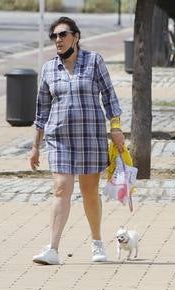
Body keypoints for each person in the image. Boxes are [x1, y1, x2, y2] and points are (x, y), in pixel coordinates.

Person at [29, 16, 126, 265]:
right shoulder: (49, 69)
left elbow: (110, 98)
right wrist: (35, 146)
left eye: (63, 34)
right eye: (54, 36)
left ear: (76, 36)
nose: (58, 40)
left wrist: (116, 128)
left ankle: (96, 243)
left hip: (89, 137)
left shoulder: (94, 62)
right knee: (61, 188)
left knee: (89, 192)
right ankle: (52, 248)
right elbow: (41, 111)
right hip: (60, 139)